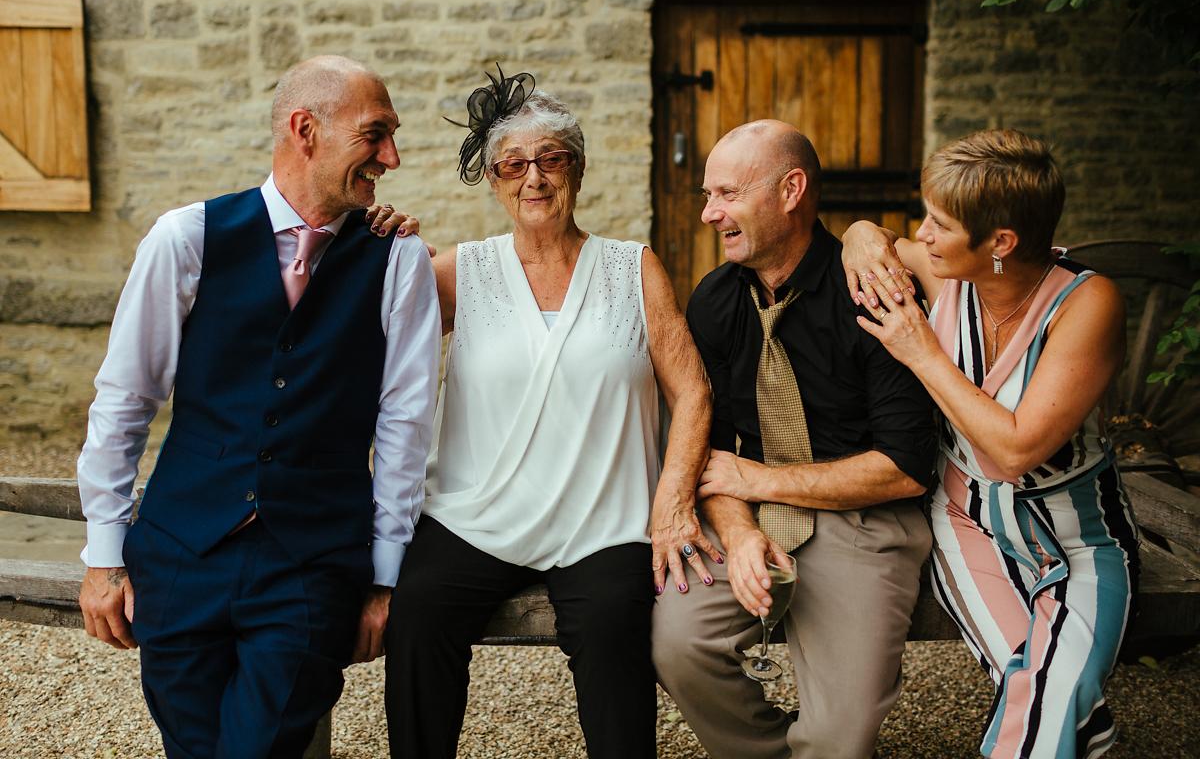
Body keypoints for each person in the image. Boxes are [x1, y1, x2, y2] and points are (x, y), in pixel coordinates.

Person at [75, 55, 442, 757]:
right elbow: (125, 399)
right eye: (375, 135)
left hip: (310, 565)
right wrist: (104, 554)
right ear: (305, 130)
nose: (392, 157)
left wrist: (385, 577)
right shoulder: (184, 239)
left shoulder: (397, 260)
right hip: (182, 554)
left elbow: (405, 426)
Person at [383, 68, 716, 759]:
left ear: (578, 169)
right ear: (495, 180)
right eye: (513, 164)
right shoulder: (461, 271)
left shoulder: (633, 268)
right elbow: (365, 336)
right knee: (417, 614)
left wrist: (673, 502)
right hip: (478, 512)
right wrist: (377, 247)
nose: (533, 177)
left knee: (616, 626)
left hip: (605, 518)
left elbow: (692, 393)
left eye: (551, 159)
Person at [841, 128, 1139, 758]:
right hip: (964, 521)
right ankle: (1086, 725)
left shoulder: (1088, 303)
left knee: (1041, 690)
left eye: (939, 223)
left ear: (1000, 243)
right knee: (1049, 691)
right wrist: (860, 232)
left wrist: (921, 351)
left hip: (1080, 531)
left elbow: (1014, 451)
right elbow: (876, 241)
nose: (921, 235)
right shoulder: (940, 269)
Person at [651, 119, 937, 759]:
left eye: (725, 194)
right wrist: (741, 529)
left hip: (865, 518)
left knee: (840, 736)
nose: (707, 213)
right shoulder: (716, 300)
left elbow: (905, 467)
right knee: (678, 643)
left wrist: (759, 481)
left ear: (791, 190)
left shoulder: (873, 290)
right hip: (749, 512)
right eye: (706, 196)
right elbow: (713, 449)